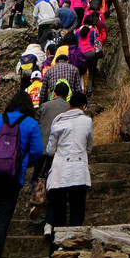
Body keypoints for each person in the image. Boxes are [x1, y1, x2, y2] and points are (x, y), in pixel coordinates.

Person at [0, 89, 43, 258]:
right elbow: (37, 151)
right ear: (29, 106)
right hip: (11, 178)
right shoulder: (31, 124)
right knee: (2, 219)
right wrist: (24, 163)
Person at [45, 90, 93, 233]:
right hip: (79, 172)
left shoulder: (58, 121)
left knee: (58, 217)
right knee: (77, 213)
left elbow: (50, 150)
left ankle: (55, 250)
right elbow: (89, 147)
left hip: (59, 174)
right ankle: (71, 249)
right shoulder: (87, 121)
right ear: (84, 106)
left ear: (69, 105)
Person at [76, 23, 100, 94]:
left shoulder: (77, 31)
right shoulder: (93, 30)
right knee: (91, 72)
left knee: (81, 72)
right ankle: (89, 89)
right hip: (91, 53)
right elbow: (98, 40)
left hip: (81, 54)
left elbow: (75, 42)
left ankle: (82, 88)